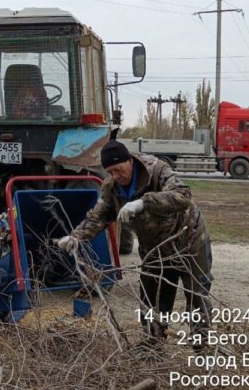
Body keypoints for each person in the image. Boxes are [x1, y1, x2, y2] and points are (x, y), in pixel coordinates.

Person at [58, 140, 213, 349]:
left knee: (196, 294)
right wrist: (76, 236)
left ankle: (202, 346)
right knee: (152, 297)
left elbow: (182, 195)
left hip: (189, 241)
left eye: (119, 169)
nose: (116, 176)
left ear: (129, 161)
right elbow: (100, 216)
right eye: (110, 172)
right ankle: (153, 344)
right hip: (154, 249)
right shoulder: (112, 187)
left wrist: (144, 202)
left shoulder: (157, 170)